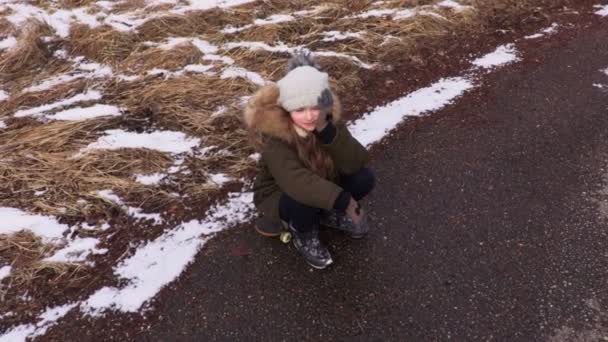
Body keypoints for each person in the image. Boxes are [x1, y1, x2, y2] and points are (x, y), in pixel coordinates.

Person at [243, 52, 375, 269]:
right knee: (302, 201)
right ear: (286, 109)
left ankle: (324, 214)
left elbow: (356, 161)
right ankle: (302, 231)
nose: (310, 116)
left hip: (319, 178)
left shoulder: (325, 121)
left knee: (363, 178)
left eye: (315, 107)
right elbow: (295, 181)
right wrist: (342, 200)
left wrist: (328, 133)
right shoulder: (274, 137)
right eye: (300, 109)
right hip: (281, 193)